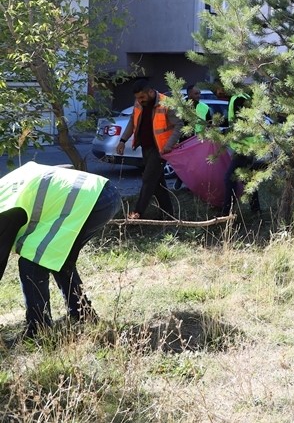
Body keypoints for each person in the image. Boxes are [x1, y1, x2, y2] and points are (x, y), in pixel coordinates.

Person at [0, 162, 120, 338]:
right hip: (102, 194)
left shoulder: (3, 207)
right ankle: (83, 314)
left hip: (91, 201)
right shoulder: (4, 191)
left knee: (32, 262)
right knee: (57, 258)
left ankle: (39, 329)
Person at [115, 80, 180, 220]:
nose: (139, 100)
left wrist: (169, 145)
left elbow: (178, 125)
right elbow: (133, 122)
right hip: (146, 147)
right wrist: (122, 140)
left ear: (150, 92)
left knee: (148, 179)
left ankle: (137, 214)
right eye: (137, 98)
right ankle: (168, 215)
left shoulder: (166, 103)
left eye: (142, 97)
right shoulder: (139, 103)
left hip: (161, 149)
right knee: (158, 183)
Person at [223, 91, 262, 215]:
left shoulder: (239, 98)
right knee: (248, 180)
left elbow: (241, 126)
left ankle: (227, 213)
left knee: (229, 179)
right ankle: (256, 210)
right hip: (247, 146)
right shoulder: (242, 97)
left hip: (244, 148)